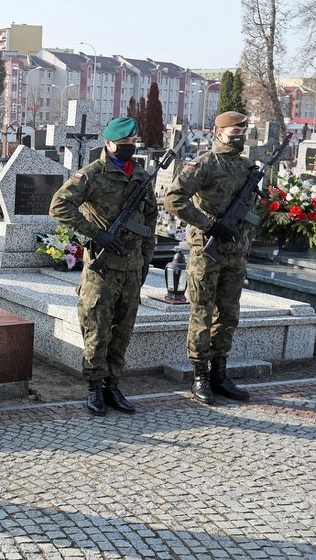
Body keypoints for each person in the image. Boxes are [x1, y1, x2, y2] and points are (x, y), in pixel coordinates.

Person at [49, 116, 156, 416]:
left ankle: (113, 386)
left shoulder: (141, 177)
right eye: (123, 144)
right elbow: (59, 206)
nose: (129, 149)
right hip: (103, 270)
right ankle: (95, 388)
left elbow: (150, 222)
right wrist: (97, 233)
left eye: (133, 143)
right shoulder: (92, 175)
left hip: (132, 267)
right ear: (108, 144)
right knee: (97, 330)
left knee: (123, 330)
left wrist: (147, 259)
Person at [163, 111, 253, 405]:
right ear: (219, 134)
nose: (240, 135)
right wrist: (208, 224)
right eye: (235, 131)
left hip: (235, 251)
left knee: (228, 314)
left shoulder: (246, 166)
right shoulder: (204, 164)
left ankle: (219, 373)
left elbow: (252, 210)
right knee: (202, 311)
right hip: (207, 249)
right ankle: (200, 375)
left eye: (243, 130)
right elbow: (174, 198)